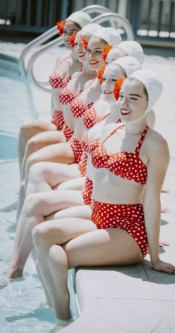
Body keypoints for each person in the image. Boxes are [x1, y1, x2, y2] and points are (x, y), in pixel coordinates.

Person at [31, 68, 175, 326]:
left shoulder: (154, 144)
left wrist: (155, 255)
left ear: (149, 102)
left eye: (134, 98)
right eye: (123, 96)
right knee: (40, 234)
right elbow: (92, 177)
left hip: (127, 228)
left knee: (57, 254)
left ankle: (63, 321)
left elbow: (152, 199)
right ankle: (53, 309)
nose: (124, 103)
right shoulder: (111, 131)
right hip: (98, 215)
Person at [0, 56, 141, 289]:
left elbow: (140, 174)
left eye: (113, 80)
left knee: (40, 209)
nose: (106, 84)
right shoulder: (106, 108)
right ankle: (17, 267)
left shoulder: (133, 127)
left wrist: (152, 247)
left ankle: (28, 268)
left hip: (108, 209)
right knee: (34, 197)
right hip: (92, 190)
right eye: (105, 78)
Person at [16, 23, 101, 222]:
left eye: (87, 45)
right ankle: (20, 214)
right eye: (78, 43)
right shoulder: (79, 74)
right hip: (66, 130)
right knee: (27, 137)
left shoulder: (98, 84)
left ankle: (25, 216)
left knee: (35, 162)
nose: (80, 48)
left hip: (77, 144)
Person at [18, 12, 92, 179]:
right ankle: (23, 180)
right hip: (56, 120)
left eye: (73, 32)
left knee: (33, 145)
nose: (67, 36)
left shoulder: (87, 67)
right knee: (25, 129)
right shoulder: (61, 57)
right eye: (65, 31)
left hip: (70, 128)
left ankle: (28, 181)